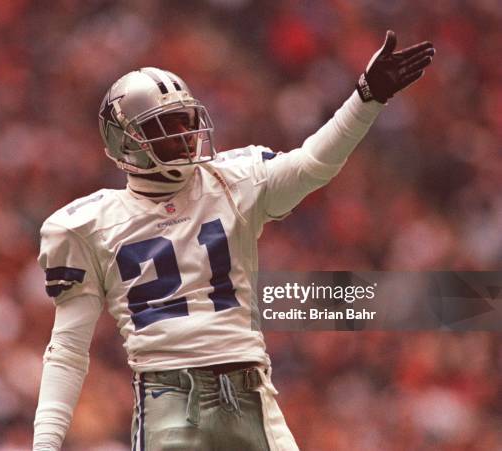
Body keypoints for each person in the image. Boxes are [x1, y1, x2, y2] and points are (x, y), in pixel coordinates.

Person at [33, 31, 435, 450]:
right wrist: (45, 443)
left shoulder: (232, 179)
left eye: (185, 121)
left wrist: (366, 99)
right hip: (168, 400)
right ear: (126, 142)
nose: (186, 135)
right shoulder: (89, 224)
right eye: (165, 127)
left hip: (253, 392)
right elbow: (67, 349)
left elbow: (314, 163)